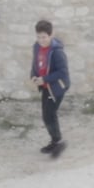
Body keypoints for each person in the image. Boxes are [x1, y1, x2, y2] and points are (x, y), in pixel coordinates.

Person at [30, 19, 70, 158]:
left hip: (57, 87)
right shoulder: (36, 46)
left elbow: (63, 72)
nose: (41, 40)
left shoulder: (57, 52)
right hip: (45, 86)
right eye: (38, 37)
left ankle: (57, 142)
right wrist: (33, 76)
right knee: (47, 114)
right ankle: (56, 141)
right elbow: (35, 63)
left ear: (51, 35)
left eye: (44, 37)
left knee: (49, 114)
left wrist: (45, 79)